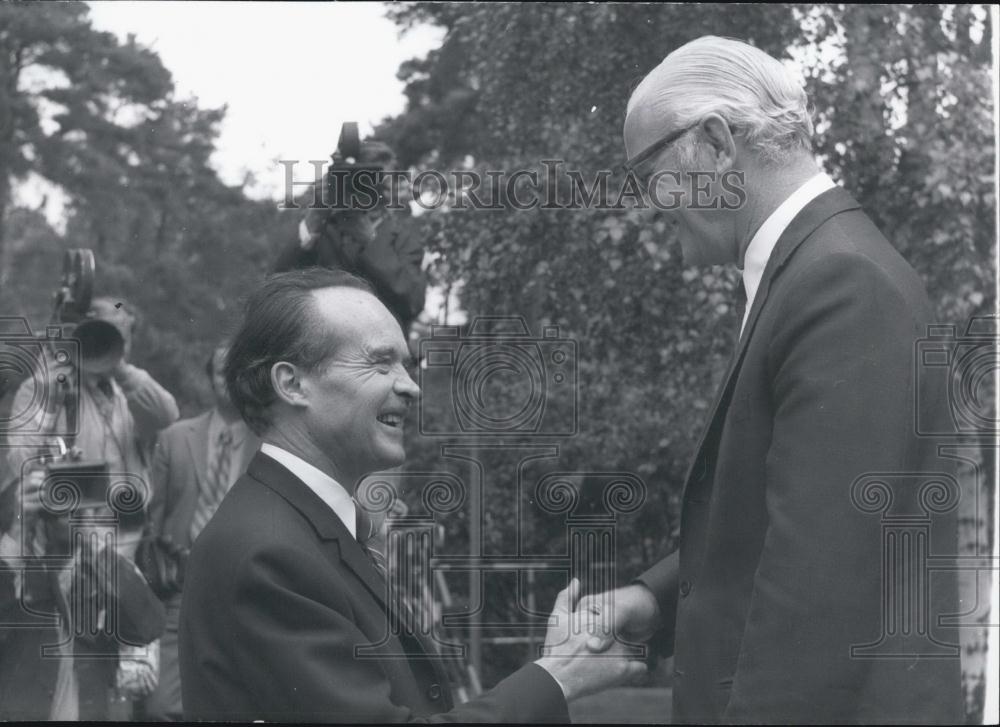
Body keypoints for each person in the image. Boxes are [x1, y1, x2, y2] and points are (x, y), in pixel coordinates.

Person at [583, 36, 962, 723]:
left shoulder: (839, 285)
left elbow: (815, 602)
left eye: (647, 176)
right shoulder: (817, 268)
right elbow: (788, 515)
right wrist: (653, 598)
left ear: (718, 144)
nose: (647, 204)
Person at [179, 268, 644, 722]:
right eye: (380, 362)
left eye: (407, 363)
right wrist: (557, 676)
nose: (411, 386)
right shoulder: (269, 553)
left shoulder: (304, 528)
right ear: (292, 384)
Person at [1, 296, 175, 719]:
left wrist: (116, 365)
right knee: (71, 688)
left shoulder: (127, 392)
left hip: (125, 558)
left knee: (120, 696)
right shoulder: (49, 386)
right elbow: (20, 459)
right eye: (97, 329)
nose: (105, 339)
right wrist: (55, 376)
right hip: (65, 561)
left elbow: (166, 413)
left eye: (119, 333)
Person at [141, 344, 260, 721]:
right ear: (210, 379)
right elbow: (153, 517)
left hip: (247, 590)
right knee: (160, 707)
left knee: (237, 702)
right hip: (180, 587)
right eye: (221, 373)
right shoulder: (175, 437)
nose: (228, 381)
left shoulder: (273, 445)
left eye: (236, 373)